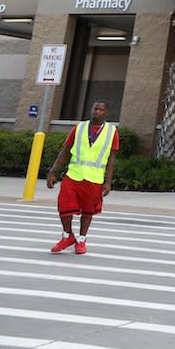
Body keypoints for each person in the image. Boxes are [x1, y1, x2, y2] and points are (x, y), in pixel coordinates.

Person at [45, 100, 119, 255]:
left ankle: (81, 240)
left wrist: (108, 182)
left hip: (94, 179)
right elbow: (65, 151)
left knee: (88, 212)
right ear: (91, 110)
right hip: (73, 175)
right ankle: (67, 236)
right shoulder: (79, 128)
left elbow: (111, 159)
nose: (97, 111)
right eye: (95, 108)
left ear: (106, 113)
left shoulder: (112, 132)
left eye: (101, 109)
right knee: (64, 207)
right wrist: (53, 171)